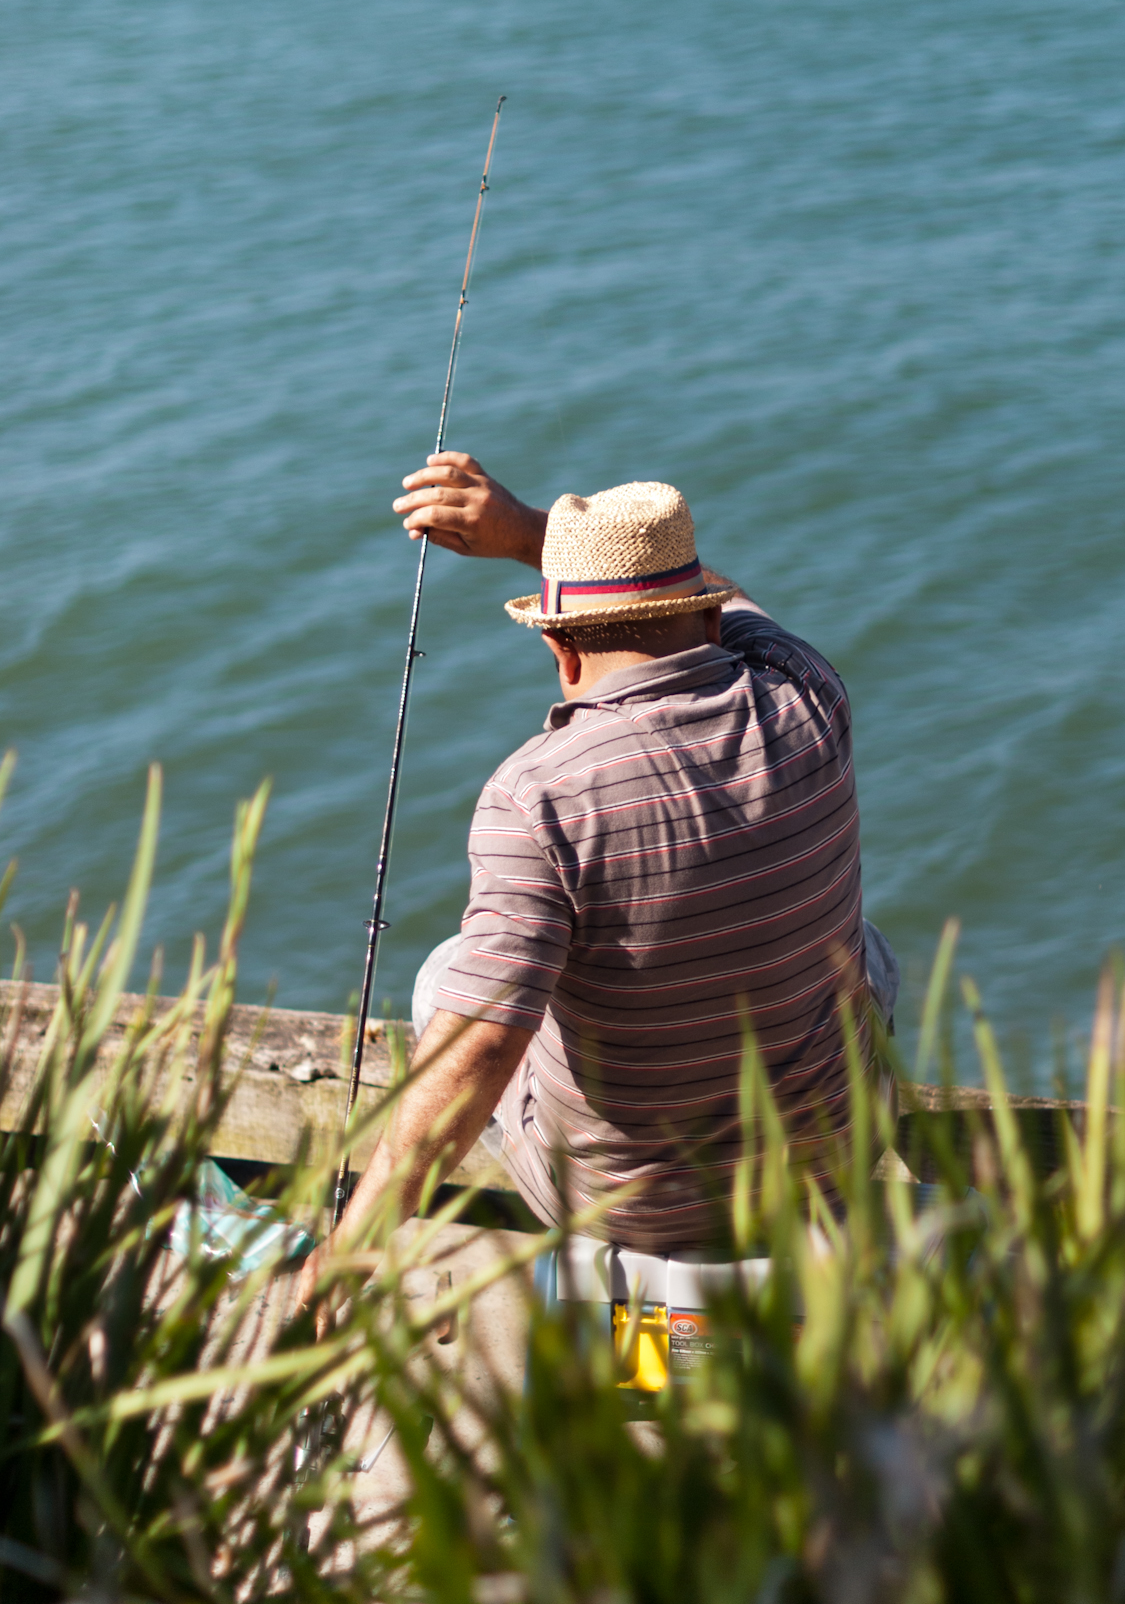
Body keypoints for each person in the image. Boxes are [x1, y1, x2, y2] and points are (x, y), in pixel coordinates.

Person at [294, 453, 898, 1313]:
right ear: (697, 613)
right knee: (868, 954)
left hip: (630, 1211)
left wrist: (357, 1241)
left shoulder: (537, 797)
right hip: (828, 1160)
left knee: (445, 983)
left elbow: (479, 1047)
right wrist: (535, 532)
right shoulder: (807, 689)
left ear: (557, 647)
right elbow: (741, 605)